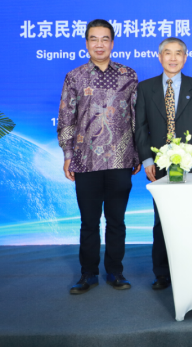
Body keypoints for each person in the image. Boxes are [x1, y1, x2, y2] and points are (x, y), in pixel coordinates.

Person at [58, 19, 141, 294]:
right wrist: (68, 154)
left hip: (120, 159)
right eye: (93, 39)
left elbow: (137, 118)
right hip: (85, 161)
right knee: (89, 222)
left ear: (112, 43)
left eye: (105, 39)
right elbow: (66, 118)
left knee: (117, 221)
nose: (99, 44)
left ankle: (116, 271)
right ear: (86, 43)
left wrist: (138, 154)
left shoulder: (129, 75)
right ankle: (88, 274)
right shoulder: (75, 76)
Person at [135, 37, 192, 290]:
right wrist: (147, 159)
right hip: (160, 164)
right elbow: (141, 127)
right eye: (167, 53)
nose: (173, 58)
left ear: (185, 57)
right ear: (159, 57)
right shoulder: (145, 88)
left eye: (178, 53)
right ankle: (162, 273)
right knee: (163, 219)